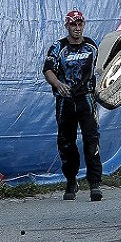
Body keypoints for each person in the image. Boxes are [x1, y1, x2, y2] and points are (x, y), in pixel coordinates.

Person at [43, 10, 103, 201]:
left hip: (86, 99)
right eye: (73, 25)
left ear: (83, 25)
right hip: (65, 101)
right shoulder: (58, 47)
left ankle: (95, 184)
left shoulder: (91, 45)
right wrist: (58, 84)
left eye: (80, 24)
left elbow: (102, 67)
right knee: (66, 143)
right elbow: (48, 70)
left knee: (91, 141)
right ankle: (71, 181)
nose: (77, 28)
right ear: (67, 26)